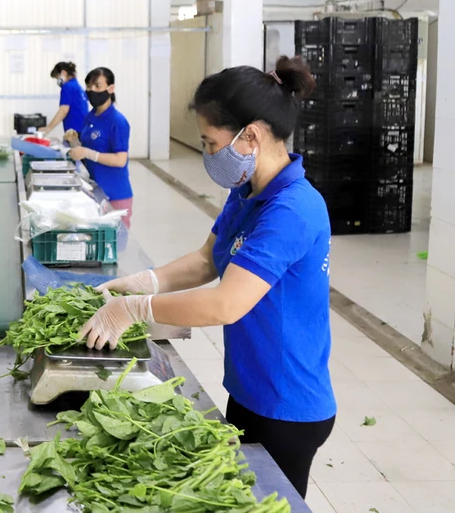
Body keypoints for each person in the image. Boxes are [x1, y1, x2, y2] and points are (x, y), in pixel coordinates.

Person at [80, 56, 335, 498]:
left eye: (211, 142)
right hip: (249, 387)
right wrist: (145, 281)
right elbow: (207, 259)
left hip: (286, 403)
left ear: (250, 136)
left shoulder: (294, 208)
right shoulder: (248, 191)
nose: (208, 155)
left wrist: (134, 310)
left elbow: (226, 303)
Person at [64, 67, 133, 228]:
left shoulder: (117, 121)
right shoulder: (91, 116)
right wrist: (75, 142)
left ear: (111, 88)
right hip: (95, 191)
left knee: (117, 245)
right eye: (89, 86)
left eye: (97, 86)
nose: (92, 90)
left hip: (115, 195)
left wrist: (88, 152)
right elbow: (87, 152)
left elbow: (120, 160)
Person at [39, 61, 89, 135]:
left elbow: (63, 111)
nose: (58, 81)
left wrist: (48, 129)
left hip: (75, 131)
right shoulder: (77, 86)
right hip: (84, 129)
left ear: (63, 73)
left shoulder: (67, 87)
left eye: (57, 78)